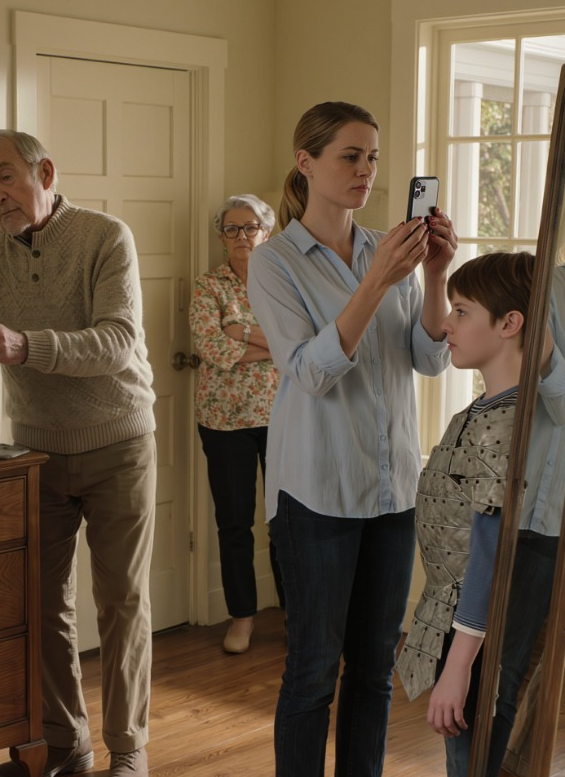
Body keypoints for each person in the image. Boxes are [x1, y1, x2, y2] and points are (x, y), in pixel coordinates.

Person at [0, 129, 156, 777]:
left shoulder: (106, 237)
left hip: (119, 442)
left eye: (4, 177)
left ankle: (130, 749)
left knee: (122, 601)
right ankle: (66, 741)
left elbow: (117, 340)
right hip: (36, 454)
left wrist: (25, 345)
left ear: (45, 173)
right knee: (42, 603)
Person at [246, 101, 458, 777]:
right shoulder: (273, 263)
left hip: (393, 490)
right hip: (316, 493)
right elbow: (309, 373)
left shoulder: (386, 250)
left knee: (373, 670)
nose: (366, 170)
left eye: (373, 158)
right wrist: (375, 283)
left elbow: (428, 358)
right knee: (313, 671)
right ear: (306, 162)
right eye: (350, 156)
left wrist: (433, 275)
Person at [397, 252, 565, 777]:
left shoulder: (503, 427)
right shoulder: (480, 411)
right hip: (454, 604)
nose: (446, 324)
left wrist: (457, 667)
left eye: (462, 311)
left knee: (476, 725)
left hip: (472, 610)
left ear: (510, 324)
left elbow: (487, 554)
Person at [189, 193, 284, 654]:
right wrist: (272, 345)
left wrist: (241, 331)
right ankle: (242, 617)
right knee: (234, 524)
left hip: (283, 417)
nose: (241, 236)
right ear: (221, 237)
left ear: (266, 233)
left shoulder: (284, 284)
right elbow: (210, 346)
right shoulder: (209, 286)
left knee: (286, 522)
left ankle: (294, 615)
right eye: (232, 228)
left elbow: (299, 341)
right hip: (224, 421)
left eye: (250, 227)